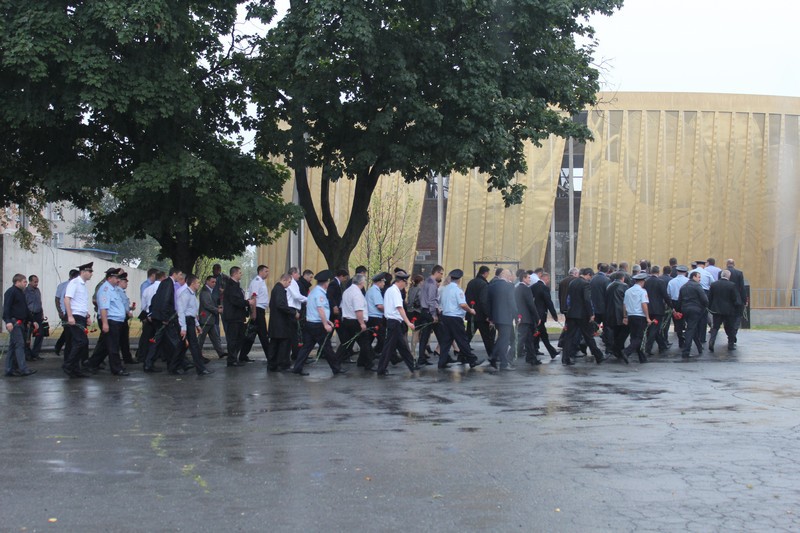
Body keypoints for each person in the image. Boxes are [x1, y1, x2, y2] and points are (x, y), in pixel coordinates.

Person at [291, 270, 346, 376]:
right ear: (326, 282)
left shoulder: (313, 292)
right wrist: (325, 324)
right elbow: (320, 309)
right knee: (327, 347)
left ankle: (297, 367)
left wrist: (327, 321)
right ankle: (336, 368)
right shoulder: (320, 294)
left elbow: (315, 310)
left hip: (310, 323)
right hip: (317, 325)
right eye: (328, 282)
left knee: (306, 347)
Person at [436, 269, 483, 369]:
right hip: (455, 318)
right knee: (462, 339)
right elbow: (462, 304)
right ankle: (472, 360)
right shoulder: (458, 290)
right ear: (459, 279)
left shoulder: (445, 289)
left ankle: (442, 362)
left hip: (445, 316)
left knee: (446, 341)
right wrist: (470, 310)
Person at [86, 268, 129, 375]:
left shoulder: (113, 289)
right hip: (110, 321)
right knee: (113, 346)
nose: (118, 280)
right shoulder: (105, 290)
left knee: (105, 345)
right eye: (116, 278)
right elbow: (103, 308)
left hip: (116, 321)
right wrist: (105, 324)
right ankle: (116, 368)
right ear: (109, 278)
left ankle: (91, 364)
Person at [375, 271, 418, 376]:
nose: (405, 285)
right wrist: (408, 323)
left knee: (401, 346)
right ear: (401, 281)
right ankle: (381, 369)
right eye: (405, 282)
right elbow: (400, 308)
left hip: (392, 321)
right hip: (394, 321)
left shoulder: (390, 290)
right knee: (389, 347)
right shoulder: (395, 291)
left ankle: (411, 365)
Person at [562, 267, 606, 366]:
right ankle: (598, 356)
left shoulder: (572, 282)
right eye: (591, 276)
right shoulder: (585, 284)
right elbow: (587, 300)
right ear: (588, 274)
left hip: (572, 313)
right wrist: (591, 313)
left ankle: (565, 358)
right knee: (588, 336)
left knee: (569, 336)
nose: (590, 279)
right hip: (582, 314)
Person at [144, 267, 183, 373]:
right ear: (174, 274)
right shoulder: (168, 283)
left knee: (159, 341)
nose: (181, 277)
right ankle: (180, 363)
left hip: (159, 317)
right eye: (180, 274)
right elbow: (165, 300)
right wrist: (165, 317)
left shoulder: (165, 283)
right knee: (174, 341)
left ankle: (149, 364)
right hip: (164, 318)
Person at [334, 274, 374, 369]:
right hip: (356, 321)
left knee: (346, 344)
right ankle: (368, 364)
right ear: (361, 282)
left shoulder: (347, 291)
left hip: (346, 320)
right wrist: (362, 323)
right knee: (365, 343)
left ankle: (335, 363)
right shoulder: (357, 294)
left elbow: (342, 306)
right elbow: (358, 310)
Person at [177, 275, 213, 375]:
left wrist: (197, 325)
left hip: (190, 321)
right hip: (186, 321)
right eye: (197, 282)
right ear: (192, 283)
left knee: (182, 346)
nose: (199, 284)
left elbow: (193, 312)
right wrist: (183, 328)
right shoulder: (185, 294)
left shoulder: (192, 294)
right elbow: (181, 312)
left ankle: (173, 366)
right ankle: (201, 369)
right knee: (194, 345)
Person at [63, 262, 94, 378]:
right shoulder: (74, 283)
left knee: (81, 342)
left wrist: (87, 316)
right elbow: (67, 299)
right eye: (90, 271)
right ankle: (68, 364)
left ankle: (75, 368)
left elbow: (81, 302)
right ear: (83, 272)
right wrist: (70, 316)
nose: (91, 274)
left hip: (81, 316)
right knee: (80, 341)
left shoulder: (83, 285)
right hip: (75, 316)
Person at [3, 274, 37, 377]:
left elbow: (25, 309)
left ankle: (10, 369)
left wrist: (32, 321)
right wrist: (8, 321)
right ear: (17, 282)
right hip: (15, 322)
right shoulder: (11, 292)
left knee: (13, 346)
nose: (26, 283)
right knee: (19, 344)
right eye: (24, 281)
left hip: (21, 322)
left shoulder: (21, 293)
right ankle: (23, 369)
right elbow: (6, 307)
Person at [222, 266, 255, 367]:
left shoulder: (236, 286)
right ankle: (232, 360)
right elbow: (235, 300)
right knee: (233, 339)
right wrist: (248, 302)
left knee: (240, 338)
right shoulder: (231, 286)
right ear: (235, 274)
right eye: (240, 273)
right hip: (233, 317)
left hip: (238, 316)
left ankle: (234, 357)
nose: (241, 274)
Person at [487, 269, 518, 370]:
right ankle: (503, 363)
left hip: (496, 317)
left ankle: (494, 357)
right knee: (504, 340)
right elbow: (512, 302)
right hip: (506, 316)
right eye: (510, 275)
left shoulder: (492, 286)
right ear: (507, 276)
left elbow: (489, 302)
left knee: (502, 338)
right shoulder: (510, 286)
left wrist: (491, 317)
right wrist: (516, 316)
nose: (511, 277)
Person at [239, 265, 270, 361]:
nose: (267, 273)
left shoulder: (261, 281)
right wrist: (254, 312)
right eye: (266, 271)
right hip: (257, 310)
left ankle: (243, 355)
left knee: (252, 334)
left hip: (260, 310)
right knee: (263, 334)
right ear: (260, 271)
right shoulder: (257, 281)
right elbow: (253, 297)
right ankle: (270, 356)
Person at [708, 270, 742, 352]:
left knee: (715, 327)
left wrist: (711, 308)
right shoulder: (732, 285)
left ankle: (712, 341)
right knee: (730, 327)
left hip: (716, 310)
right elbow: (736, 299)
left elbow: (710, 297)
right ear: (729, 276)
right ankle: (730, 345)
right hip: (729, 311)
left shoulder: (714, 284)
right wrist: (737, 307)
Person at [267, 274, 296, 371]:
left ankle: (273, 364)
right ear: (284, 280)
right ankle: (282, 364)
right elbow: (281, 305)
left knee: (275, 344)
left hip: (276, 322)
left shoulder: (276, 289)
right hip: (281, 323)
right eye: (289, 282)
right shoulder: (279, 290)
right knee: (283, 343)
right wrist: (292, 312)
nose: (289, 284)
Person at [465, 266, 495, 358]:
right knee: (487, 338)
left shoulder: (471, 282)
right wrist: (488, 315)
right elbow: (484, 301)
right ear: (485, 273)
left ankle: (462, 355)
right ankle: (492, 356)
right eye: (488, 273)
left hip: (471, 314)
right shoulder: (484, 284)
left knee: (467, 337)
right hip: (481, 316)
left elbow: (466, 296)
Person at [678, 271, 709, 359]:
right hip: (695, 309)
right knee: (690, 329)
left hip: (685, 309)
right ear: (694, 277)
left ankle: (699, 347)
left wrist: (680, 310)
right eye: (699, 277)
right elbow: (704, 299)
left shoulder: (683, 287)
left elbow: (679, 300)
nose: (700, 279)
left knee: (692, 327)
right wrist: (705, 306)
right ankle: (686, 351)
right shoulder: (697, 286)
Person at [622, 272, 651, 364]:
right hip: (640, 316)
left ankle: (642, 358)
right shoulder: (643, 291)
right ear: (642, 282)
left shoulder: (628, 291)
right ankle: (626, 352)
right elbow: (644, 304)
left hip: (631, 316)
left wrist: (625, 316)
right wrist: (647, 317)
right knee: (639, 338)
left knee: (634, 337)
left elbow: (624, 305)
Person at [418, 265, 444, 365]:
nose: (441, 276)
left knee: (425, 336)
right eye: (441, 273)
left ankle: (421, 358)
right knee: (441, 335)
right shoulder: (432, 284)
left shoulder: (426, 282)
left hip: (424, 311)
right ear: (436, 272)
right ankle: (444, 357)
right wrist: (434, 314)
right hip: (430, 312)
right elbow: (432, 300)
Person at [531, 271, 560, 359]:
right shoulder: (544, 288)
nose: (549, 281)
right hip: (541, 314)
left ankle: (536, 350)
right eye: (548, 279)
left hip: (534, 313)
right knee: (543, 334)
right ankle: (551, 352)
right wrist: (554, 315)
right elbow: (548, 302)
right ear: (545, 278)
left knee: (539, 333)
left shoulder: (533, 286)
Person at [514, 270, 541, 365]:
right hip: (526, 318)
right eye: (528, 278)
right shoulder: (526, 289)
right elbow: (531, 304)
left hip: (521, 317)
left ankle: (531, 358)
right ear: (523, 278)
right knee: (520, 340)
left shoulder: (517, 288)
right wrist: (537, 317)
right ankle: (508, 358)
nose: (530, 279)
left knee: (529, 340)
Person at [643, 266, 671, 355]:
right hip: (658, 309)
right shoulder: (660, 282)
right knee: (655, 329)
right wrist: (671, 306)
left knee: (653, 328)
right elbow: (665, 296)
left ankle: (662, 345)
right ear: (658, 272)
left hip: (647, 308)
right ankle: (648, 348)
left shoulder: (646, 282)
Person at [197, 276, 226, 359]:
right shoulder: (204, 291)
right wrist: (217, 310)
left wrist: (217, 307)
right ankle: (197, 354)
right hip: (205, 319)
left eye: (215, 282)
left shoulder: (209, 291)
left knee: (215, 337)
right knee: (201, 338)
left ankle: (220, 353)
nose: (214, 284)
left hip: (210, 319)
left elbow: (210, 303)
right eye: (212, 282)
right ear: (207, 281)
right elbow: (207, 305)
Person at [604, 271, 629, 360]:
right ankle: (618, 348)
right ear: (623, 278)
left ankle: (614, 349)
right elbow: (626, 300)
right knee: (622, 331)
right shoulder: (624, 286)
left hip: (610, 311)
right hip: (620, 312)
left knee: (614, 331)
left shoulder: (609, 286)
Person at [54, 269, 79, 357]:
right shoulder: (63, 286)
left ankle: (58, 346)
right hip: (65, 313)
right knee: (68, 334)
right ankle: (66, 355)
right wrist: (60, 311)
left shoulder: (77, 286)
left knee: (68, 333)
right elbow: (57, 299)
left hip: (74, 313)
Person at [287, 267, 309, 361]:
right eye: (298, 274)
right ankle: (296, 355)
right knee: (294, 334)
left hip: (293, 309)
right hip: (292, 309)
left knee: (294, 334)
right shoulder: (292, 282)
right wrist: (307, 299)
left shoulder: (293, 282)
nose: (299, 276)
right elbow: (296, 296)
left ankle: (295, 354)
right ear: (294, 273)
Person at [589, 263, 611, 352]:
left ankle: (586, 342)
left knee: (593, 327)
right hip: (604, 308)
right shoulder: (606, 280)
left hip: (594, 307)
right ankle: (608, 347)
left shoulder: (592, 279)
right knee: (607, 328)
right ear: (608, 270)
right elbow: (608, 294)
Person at [667, 265, 690, 348]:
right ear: (686, 272)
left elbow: (668, 294)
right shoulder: (688, 281)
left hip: (675, 302)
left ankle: (680, 339)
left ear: (677, 272)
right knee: (688, 321)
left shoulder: (671, 282)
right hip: (686, 302)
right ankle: (687, 338)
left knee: (677, 322)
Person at [366, 273, 387, 360]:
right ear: (379, 282)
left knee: (368, 340)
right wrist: (387, 311)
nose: (384, 284)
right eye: (383, 282)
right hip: (375, 318)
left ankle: (364, 358)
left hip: (370, 317)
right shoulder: (375, 291)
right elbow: (379, 306)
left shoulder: (370, 290)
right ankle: (391, 357)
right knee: (382, 338)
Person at [24, 274, 44, 361]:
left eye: (37, 282)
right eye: (35, 282)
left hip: (38, 314)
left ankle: (35, 353)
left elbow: (39, 302)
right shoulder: (26, 291)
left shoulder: (37, 290)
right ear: (30, 281)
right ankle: (27, 354)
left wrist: (42, 313)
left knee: (40, 333)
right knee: (28, 335)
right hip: (30, 315)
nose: (36, 284)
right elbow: (24, 304)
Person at [726, 259, 747, 331]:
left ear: (727, 264)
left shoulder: (722, 273)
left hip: (725, 298)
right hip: (737, 298)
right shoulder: (739, 273)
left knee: (726, 317)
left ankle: (729, 331)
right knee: (738, 315)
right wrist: (744, 300)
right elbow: (742, 287)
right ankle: (734, 330)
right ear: (734, 264)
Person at [406, 274, 424, 357]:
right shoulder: (420, 289)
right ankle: (413, 352)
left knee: (414, 331)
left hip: (409, 311)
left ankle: (413, 351)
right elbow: (420, 300)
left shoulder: (411, 288)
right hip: (417, 311)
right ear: (420, 281)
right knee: (416, 332)